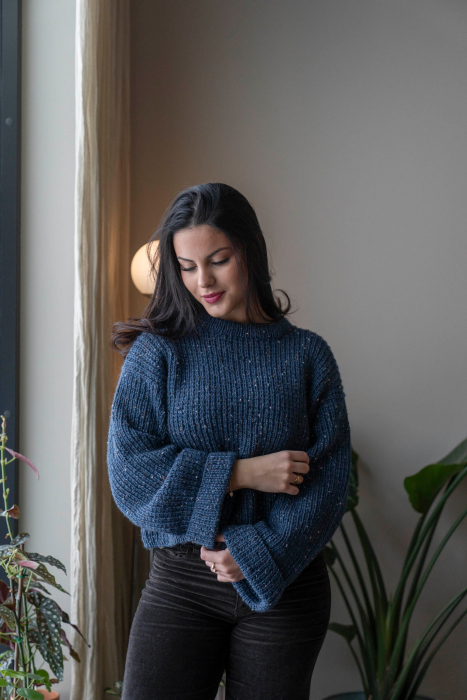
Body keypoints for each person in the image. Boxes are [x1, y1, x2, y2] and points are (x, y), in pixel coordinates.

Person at [107, 182, 352, 700]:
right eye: (187, 266)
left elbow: (329, 482)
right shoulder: (158, 352)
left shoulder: (308, 356)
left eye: (218, 260)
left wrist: (258, 552)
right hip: (181, 583)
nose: (204, 281)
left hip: (284, 584)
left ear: (250, 250)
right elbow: (129, 473)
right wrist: (240, 473)